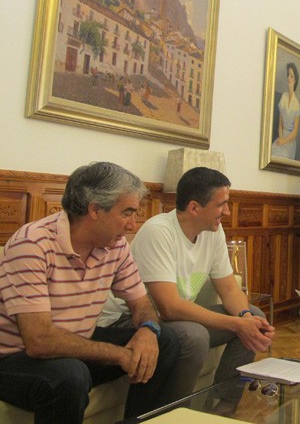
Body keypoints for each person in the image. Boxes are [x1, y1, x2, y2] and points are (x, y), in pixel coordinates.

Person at [0, 162, 180, 424]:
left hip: (75, 342)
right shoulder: (32, 244)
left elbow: (142, 304)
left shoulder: (115, 245)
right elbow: (39, 341)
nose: (132, 224)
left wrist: (148, 331)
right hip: (14, 357)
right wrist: (119, 354)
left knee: (166, 342)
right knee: (69, 374)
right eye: (127, 213)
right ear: (95, 209)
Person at [99, 166, 275, 411]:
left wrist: (244, 318)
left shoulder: (213, 231)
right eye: (221, 204)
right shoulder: (158, 231)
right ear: (194, 207)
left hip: (174, 320)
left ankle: (221, 409)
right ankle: (175, 415)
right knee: (194, 336)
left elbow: (229, 289)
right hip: (132, 320)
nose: (226, 211)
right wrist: (236, 324)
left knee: (255, 317)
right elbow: (168, 307)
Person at [271, 62, 300, 160]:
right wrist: (280, 137)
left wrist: (284, 141)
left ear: (295, 80)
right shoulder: (283, 97)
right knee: (272, 152)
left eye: (291, 76)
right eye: (288, 75)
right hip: (281, 136)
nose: (289, 78)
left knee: (282, 156)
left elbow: (295, 132)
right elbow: (280, 123)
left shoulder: (296, 104)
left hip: (290, 141)